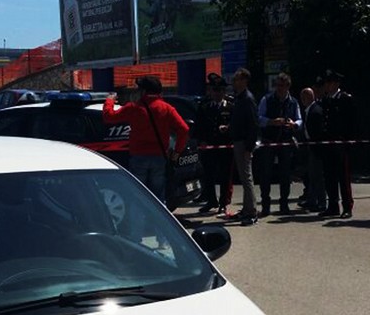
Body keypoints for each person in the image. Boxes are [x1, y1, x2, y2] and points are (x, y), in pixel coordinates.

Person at [103, 75, 189, 203]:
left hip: (138, 156)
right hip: (159, 156)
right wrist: (177, 152)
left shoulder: (133, 107)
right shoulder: (167, 108)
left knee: (138, 195)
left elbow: (109, 117)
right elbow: (184, 129)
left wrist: (109, 101)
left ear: (143, 91)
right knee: (158, 197)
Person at [256, 72, 302, 216]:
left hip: (285, 142)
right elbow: (258, 118)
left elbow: (300, 120)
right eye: (278, 85)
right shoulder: (267, 99)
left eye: (283, 85)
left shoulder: (293, 102)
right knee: (265, 174)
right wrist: (271, 122)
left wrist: (294, 124)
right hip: (269, 141)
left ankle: (284, 204)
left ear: (288, 86)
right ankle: (265, 205)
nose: (280, 88)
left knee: (285, 174)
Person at [316, 70, 356, 219]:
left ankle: (347, 207)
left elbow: (351, 122)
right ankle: (333, 206)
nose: (326, 86)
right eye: (325, 83)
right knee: (329, 176)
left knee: (343, 177)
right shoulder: (326, 100)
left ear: (336, 84)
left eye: (329, 83)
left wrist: (348, 140)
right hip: (328, 144)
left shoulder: (345, 99)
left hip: (341, 144)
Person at [196, 73, 235, 215]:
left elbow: (236, 124)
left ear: (224, 92)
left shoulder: (230, 106)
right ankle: (211, 200)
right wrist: (201, 140)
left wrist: (228, 128)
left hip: (226, 147)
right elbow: (199, 126)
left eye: (220, 90)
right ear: (211, 91)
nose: (217, 93)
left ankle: (223, 203)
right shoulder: (205, 106)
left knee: (225, 176)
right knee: (208, 175)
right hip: (209, 146)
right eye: (215, 90)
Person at [228, 68, 259, 225]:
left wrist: (249, 148)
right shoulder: (239, 98)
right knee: (243, 177)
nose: (235, 82)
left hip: (244, 143)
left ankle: (252, 212)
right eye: (234, 79)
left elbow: (253, 125)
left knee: (247, 178)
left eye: (238, 79)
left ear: (245, 81)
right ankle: (246, 209)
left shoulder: (247, 98)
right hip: (238, 141)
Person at [299, 83, 327, 212]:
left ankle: (321, 202)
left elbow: (318, 131)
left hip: (316, 147)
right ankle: (312, 200)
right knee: (311, 175)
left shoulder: (315, 111)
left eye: (304, 97)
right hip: (310, 146)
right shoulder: (309, 110)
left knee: (317, 176)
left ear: (310, 97)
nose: (302, 100)